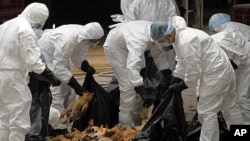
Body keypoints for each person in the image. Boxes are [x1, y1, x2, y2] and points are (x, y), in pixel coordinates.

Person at [150, 16, 243, 141]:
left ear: (167, 36)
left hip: (215, 76)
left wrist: (182, 85)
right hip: (225, 71)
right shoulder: (182, 35)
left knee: (206, 113)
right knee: (231, 108)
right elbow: (182, 61)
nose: (162, 44)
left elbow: (194, 71)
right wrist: (176, 77)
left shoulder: (185, 41)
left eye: (161, 41)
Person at [0, 2, 61, 141]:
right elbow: (33, 60)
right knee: (19, 119)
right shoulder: (25, 29)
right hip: (13, 76)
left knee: (3, 118)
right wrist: (51, 76)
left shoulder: (6, 25)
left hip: (1, 75)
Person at [37, 22, 104, 135]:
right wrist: (77, 86)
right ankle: (56, 127)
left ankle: (65, 123)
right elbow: (59, 68)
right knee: (57, 90)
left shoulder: (84, 37)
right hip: (47, 55)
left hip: (59, 56)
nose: (93, 44)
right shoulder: (68, 40)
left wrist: (85, 66)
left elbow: (78, 55)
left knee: (69, 92)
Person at [104, 20, 171, 126]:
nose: (165, 41)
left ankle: (137, 120)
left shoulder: (154, 31)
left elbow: (158, 53)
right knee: (127, 87)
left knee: (138, 82)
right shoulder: (139, 40)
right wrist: (143, 92)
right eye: (164, 40)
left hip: (128, 44)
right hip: (116, 48)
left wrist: (166, 72)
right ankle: (125, 124)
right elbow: (132, 67)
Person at [211, 31, 250, 124]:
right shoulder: (206, 49)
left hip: (246, 61)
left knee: (242, 96)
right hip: (238, 61)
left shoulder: (219, 44)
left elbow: (241, 59)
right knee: (232, 99)